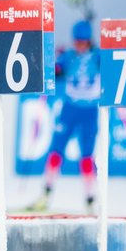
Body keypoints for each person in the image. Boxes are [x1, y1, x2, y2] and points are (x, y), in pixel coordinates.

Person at [28, 20, 101, 213]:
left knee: (86, 156)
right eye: (77, 41)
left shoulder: (98, 56)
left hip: (90, 111)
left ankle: (90, 199)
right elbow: (55, 69)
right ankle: (45, 193)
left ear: (89, 40)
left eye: (83, 41)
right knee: (56, 150)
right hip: (69, 109)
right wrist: (50, 70)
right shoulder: (69, 56)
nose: (79, 45)